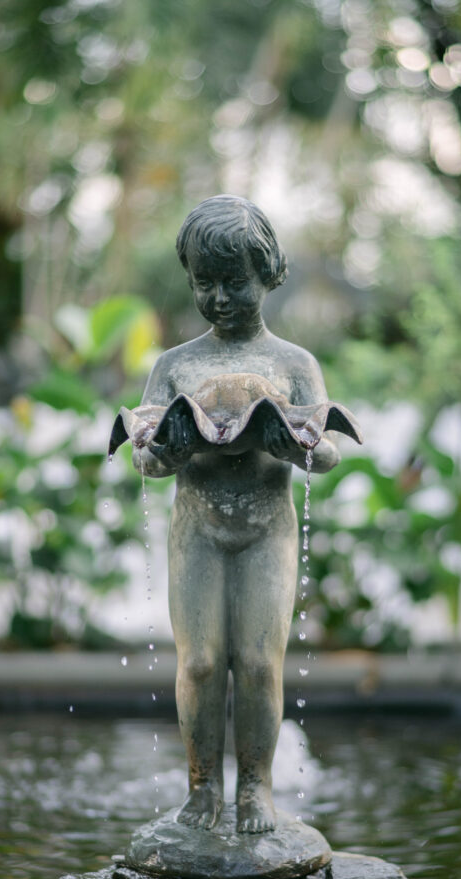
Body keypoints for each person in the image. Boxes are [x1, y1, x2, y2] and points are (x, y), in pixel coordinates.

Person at [132, 195, 343, 834]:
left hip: (264, 529)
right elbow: (147, 458)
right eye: (205, 283)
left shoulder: (293, 364)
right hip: (197, 527)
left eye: (235, 282)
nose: (219, 297)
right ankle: (202, 788)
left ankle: (255, 787)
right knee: (199, 663)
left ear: (269, 275)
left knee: (256, 663)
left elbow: (326, 450)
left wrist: (298, 447)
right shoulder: (176, 365)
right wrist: (166, 450)